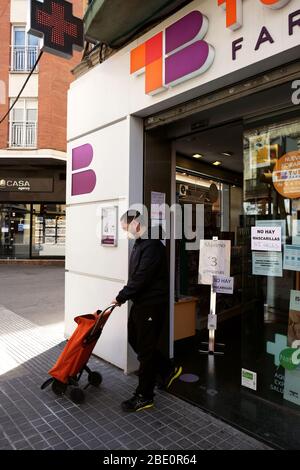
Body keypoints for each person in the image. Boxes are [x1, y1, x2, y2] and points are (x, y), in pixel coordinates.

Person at [112, 210, 182, 412]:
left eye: (126, 229)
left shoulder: (152, 246)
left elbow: (142, 276)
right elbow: (135, 275)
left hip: (151, 304)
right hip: (140, 302)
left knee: (146, 350)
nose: (127, 234)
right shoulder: (141, 243)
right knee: (134, 337)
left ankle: (144, 395)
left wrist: (121, 296)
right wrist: (127, 294)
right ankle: (167, 369)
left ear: (135, 223)